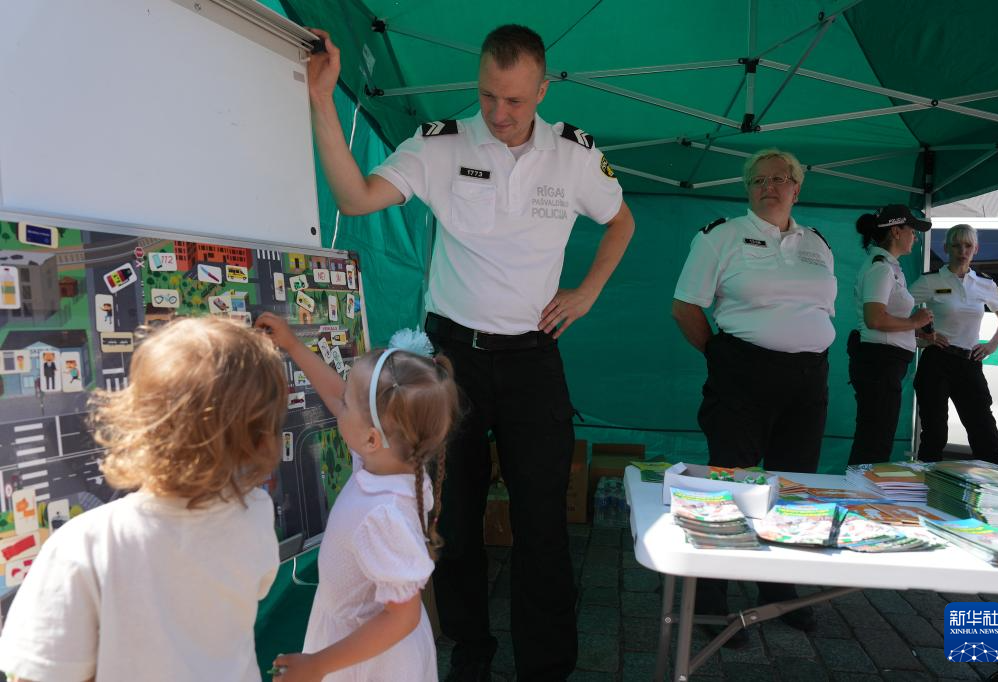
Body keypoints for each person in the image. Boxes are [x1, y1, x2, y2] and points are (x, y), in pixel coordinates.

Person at [306, 24, 634, 681]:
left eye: (514, 100)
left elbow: (620, 220)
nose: (499, 114)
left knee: (542, 518)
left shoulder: (574, 155)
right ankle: (470, 649)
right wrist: (320, 102)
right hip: (452, 356)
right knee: (451, 516)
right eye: (487, 97)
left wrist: (588, 290)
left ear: (542, 89)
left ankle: (546, 664)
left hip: (533, 356)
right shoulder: (443, 144)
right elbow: (356, 198)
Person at [0, 317, 287, 681]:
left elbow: (39, 672)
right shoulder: (256, 515)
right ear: (264, 438)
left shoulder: (84, 545)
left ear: (135, 421)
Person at [672, 148, 837, 636]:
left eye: (780, 179)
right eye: (759, 180)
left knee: (793, 485)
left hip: (809, 378)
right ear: (749, 189)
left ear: (796, 187)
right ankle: (711, 600)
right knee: (730, 485)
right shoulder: (719, 236)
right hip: (743, 373)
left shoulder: (817, 243)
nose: (769, 186)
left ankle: (779, 593)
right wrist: (723, 361)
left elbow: (821, 310)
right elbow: (685, 307)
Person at [257, 313, 459, 682]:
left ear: (371, 437)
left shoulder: (384, 515)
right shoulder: (383, 460)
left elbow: (402, 616)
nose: (340, 406)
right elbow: (336, 393)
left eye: (350, 403)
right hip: (358, 646)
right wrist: (293, 346)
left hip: (374, 663)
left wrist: (319, 665)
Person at [910, 223, 998, 464]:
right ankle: (925, 492)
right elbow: (898, 313)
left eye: (967, 245)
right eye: (956, 245)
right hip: (937, 362)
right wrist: (923, 339)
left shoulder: (985, 283)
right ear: (946, 248)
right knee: (935, 435)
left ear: (976, 249)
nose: (962, 250)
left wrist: (992, 345)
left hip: (970, 363)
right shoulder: (930, 281)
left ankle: (988, 494)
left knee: (985, 433)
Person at [847, 205, 934, 465]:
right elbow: (875, 319)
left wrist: (916, 332)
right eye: (912, 230)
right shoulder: (881, 267)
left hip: (884, 362)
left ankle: (859, 498)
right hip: (879, 364)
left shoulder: (889, 266)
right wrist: (913, 321)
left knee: (875, 438)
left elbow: (883, 320)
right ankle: (859, 500)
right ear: (896, 231)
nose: (915, 237)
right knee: (874, 441)